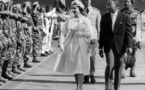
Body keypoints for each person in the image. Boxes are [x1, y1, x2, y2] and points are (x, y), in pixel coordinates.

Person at [53, 0, 94, 90]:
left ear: (80, 8)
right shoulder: (69, 20)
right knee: (75, 67)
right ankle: (78, 85)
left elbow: (91, 33)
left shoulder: (86, 20)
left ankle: (79, 87)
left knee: (80, 65)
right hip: (72, 46)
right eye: (72, 8)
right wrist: (61, 44)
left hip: (83, 45)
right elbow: (63, 32)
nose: (73, 10)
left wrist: (82, 34)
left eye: (75, 8)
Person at [99, 0, 133, 90]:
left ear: (116, 5)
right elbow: (102, 33)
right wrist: (100, 47)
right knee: (110, 64)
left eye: (110, 4)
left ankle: (116, 88)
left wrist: (130, 46)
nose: (108, 6)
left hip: (120, 46)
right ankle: (108, 87)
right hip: (108, 45)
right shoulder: (104, 17)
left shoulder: (124, 17)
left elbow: (129, 33)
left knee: (118, 66)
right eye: (107, 5)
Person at [82, 0, 101, 83]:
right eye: (85, 0)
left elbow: (98, 26)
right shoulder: (80, 10)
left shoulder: (96, 11)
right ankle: (86, 75)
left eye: (88, 0)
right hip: (83, 37)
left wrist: (99, 38)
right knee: (85, 57)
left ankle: (92, 74)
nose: (87, 1)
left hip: (93, 36)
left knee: (92, 57)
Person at [120, 0, 140, 78]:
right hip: (124, 36)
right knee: (123, 54)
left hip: (134, 36)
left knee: (134, 54)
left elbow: (139, 24)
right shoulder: (121, 12)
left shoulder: (137, 12)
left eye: (127, 1)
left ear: (132, 2)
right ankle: (122, 71)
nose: (126, 3)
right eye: (125, 1)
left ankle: (132, 71)